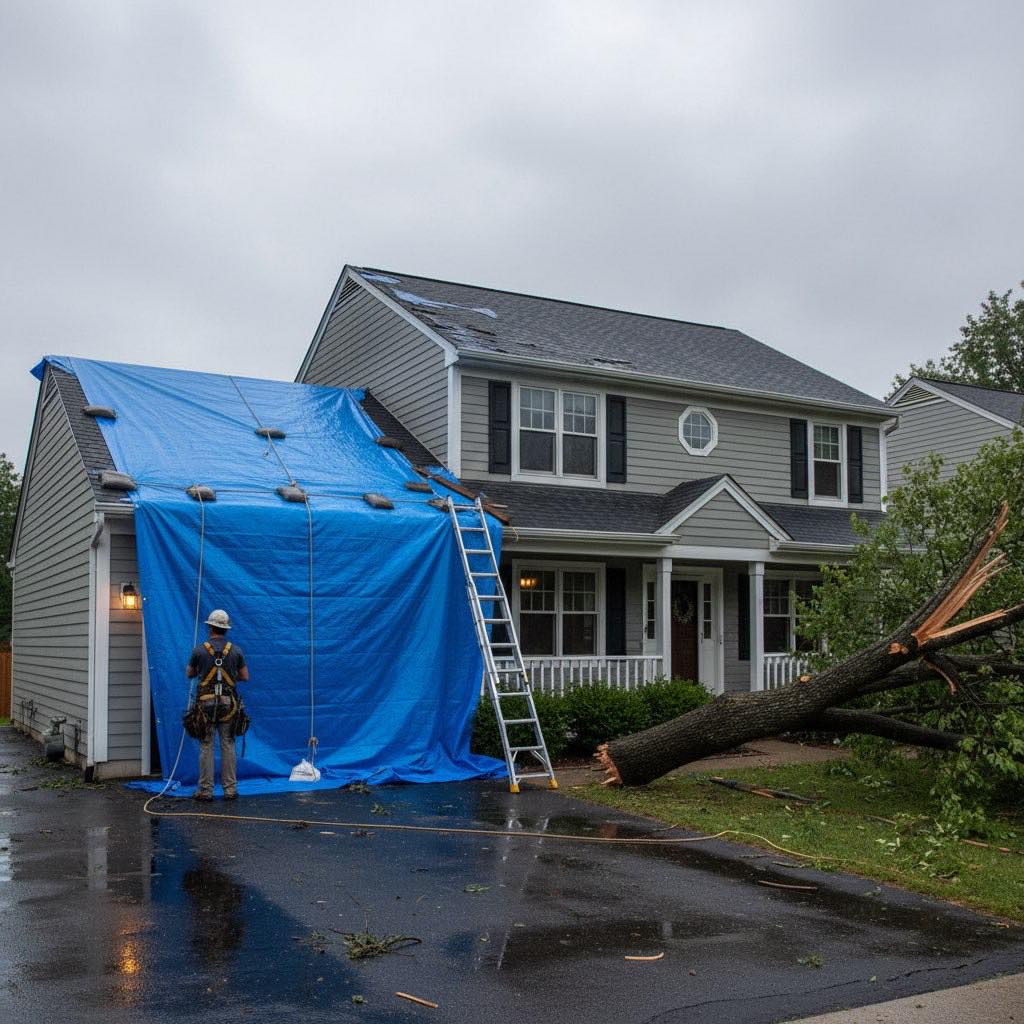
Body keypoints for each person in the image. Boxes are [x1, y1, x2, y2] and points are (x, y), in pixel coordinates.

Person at [186, 609, 249, 801]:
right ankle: (230, 789)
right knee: (228, 744)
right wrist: (230, 676)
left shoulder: (199, 650)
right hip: (229, 705)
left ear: (210, 627)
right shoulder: (236, 651)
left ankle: (206, 791)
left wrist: (205, 671)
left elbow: (189, 674)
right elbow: (245, 676)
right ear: (225, 629)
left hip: (205, 705)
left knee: (206, 745)